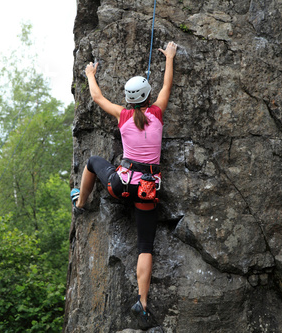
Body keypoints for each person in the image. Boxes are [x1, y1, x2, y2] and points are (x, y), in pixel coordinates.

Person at [71, 41, 177, 328]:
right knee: (145, 246)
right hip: (146, 190)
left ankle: (80, 203)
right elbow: (167, 84)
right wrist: (169, 57)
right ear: (147, 96)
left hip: (121, 185)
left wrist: (91, 73)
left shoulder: (123, 115)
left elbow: (97, 98)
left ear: (129, 100)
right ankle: (141, 303)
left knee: (93, 161)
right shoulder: (157, 112)